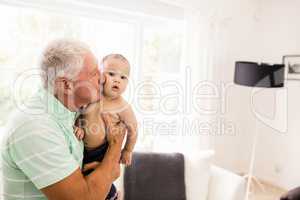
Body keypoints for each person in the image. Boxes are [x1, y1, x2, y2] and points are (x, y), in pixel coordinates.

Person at [1, 39, 126, 200]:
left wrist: (106, 170)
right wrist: (115, 149)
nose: (102, 79)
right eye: (94, 73)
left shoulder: (73, 110)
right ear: (66, 85)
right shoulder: (35, 125)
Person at [74, 54, 138, 199]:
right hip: (83, 149)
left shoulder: (123, 107)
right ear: (100, 75)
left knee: (100, 175)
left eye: (123, 78)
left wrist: (128, 150)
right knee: (85, 178)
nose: (117, 80)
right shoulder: (93, 95)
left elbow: (133, 128)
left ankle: (111, 195)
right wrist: (78, 126)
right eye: (111, 74)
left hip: (103, 151)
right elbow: (81, 113)